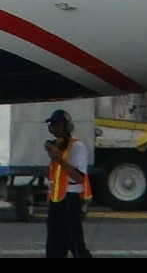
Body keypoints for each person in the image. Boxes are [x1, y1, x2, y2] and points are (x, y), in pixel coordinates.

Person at [43, 109, 93, 258]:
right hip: (56, 200)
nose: (53, 128)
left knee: (75, 243)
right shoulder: (57, 146)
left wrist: (60, 159)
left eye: (57, 125)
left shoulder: (77, 147)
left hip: (70, 199)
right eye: (52, 125)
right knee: (54, 245)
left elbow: (79, 177)